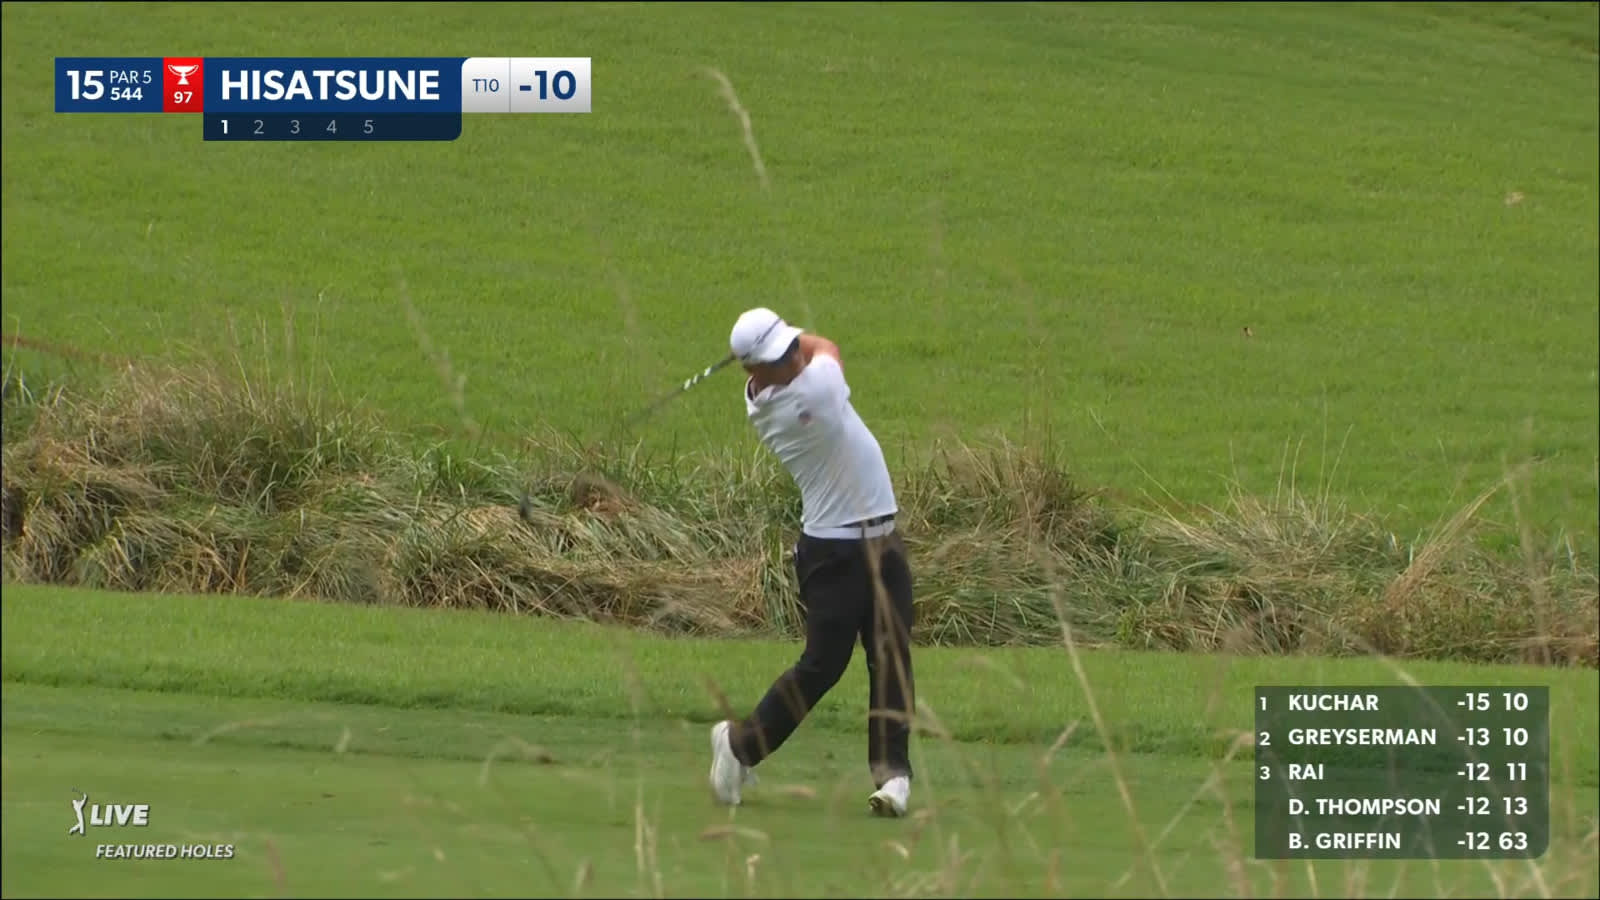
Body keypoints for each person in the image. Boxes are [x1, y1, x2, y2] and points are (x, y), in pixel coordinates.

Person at [708, 306, 919, 817]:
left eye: (789, 348)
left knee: (891, 656)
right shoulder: (812, 394)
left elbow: (803, 351)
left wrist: (777, 341)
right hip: (834, 553)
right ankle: (739, 745)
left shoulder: (763, 392)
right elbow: (827, 347)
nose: (793, 357)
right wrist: (797, 338)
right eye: (780, 357)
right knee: (823, 665)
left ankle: (892, 777)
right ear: (754, 370)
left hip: (882, 540)